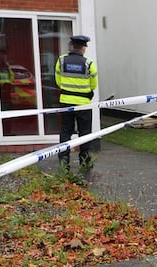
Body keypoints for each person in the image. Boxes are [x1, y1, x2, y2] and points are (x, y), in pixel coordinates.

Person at [55, 35, 98, 174]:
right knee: (84, 133)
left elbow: (58, 81)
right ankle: (84, 161)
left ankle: (64, 162)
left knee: (65, 132)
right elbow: (93, 84)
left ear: (72, 46)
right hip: (83, 104)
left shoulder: (61, 60)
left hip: (66, 103)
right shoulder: (89, 63)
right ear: (84, 48)